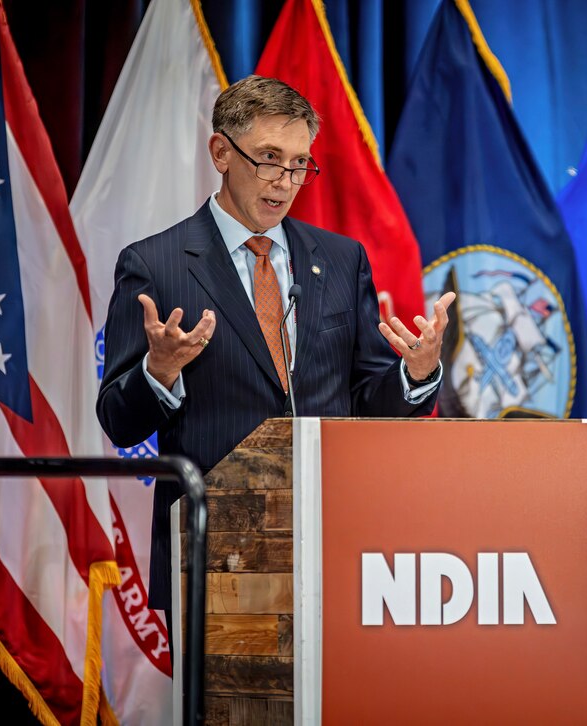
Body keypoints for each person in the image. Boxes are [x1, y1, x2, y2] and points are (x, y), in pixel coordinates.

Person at [96, 75, 454, 614]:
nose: (285, 181)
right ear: (221, 151)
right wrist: (159, 371)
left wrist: (416, 375)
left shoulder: (340, 260)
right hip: (215, 556)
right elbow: (119, 422)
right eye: (268, 158)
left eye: (299, 164)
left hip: (334, 545)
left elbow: (365, 402)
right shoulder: (155, 264)